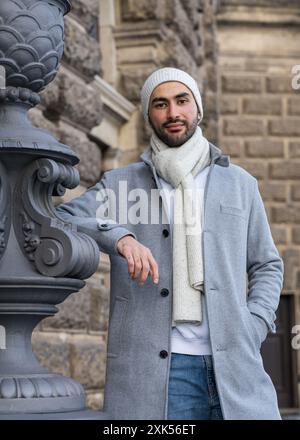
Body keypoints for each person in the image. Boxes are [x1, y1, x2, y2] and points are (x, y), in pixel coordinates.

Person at [56, 67, 284, 420]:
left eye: (182, 101)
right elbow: (66, 217)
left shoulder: (240, 184)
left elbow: (267, 264)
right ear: (149, 115)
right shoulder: (122, 183)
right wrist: (120, 237)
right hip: (158, 372)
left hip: (236, 365)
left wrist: (254, 323)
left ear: (198, 108)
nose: (173, 113)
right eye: (160, 104)